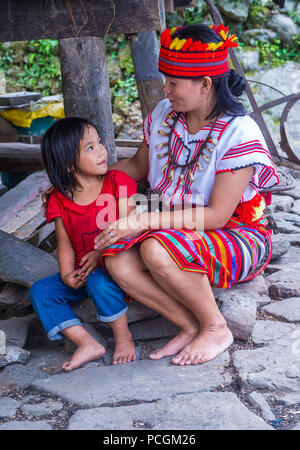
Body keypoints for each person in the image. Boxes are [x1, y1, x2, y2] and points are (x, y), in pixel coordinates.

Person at [92, 23, 280, 366]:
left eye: (173, 82)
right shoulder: (165, 116)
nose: (165, 89)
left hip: (236, 233)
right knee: (114, 256)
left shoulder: (239, 132)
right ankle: (189, 323)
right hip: (171, 220)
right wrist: (81, 180)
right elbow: (136, 167)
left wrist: (143, 220)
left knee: (155, 247)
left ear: (205, 84)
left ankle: (215, 326)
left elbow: (217, 216)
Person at [30, 117, 137, 371]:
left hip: (119, 271)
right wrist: (67, 273)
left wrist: (99, 253)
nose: (102, 150)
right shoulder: (59, 199)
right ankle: (86, 342)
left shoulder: (118, 183)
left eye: (99, 143)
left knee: (99, 281)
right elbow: (64, 241)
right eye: (90, 147)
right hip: (83, 273)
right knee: (41, 291)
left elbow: (128, 229)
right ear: (68, 165)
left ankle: (123, 337)